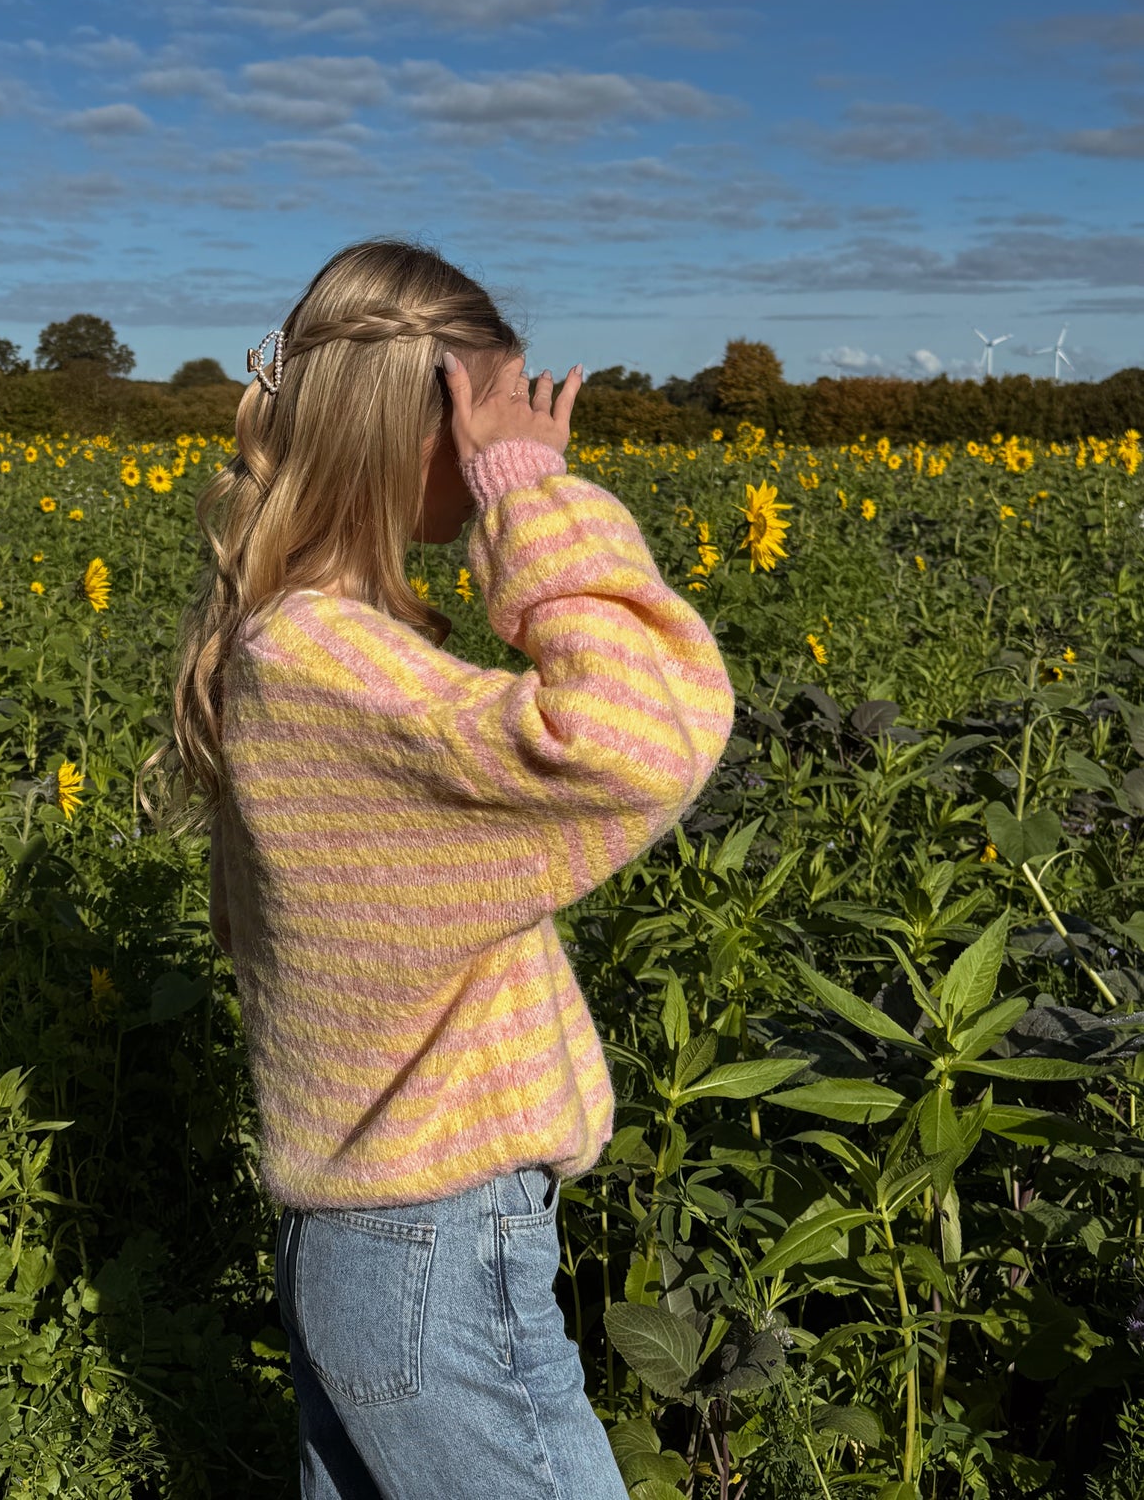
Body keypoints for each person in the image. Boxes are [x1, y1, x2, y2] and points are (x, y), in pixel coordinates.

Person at [156, 237, 735, 1499]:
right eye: (493, 412)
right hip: (432, 1247)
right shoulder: (327, 668)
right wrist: (532, 495)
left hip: (377, 1246)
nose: (515, 438)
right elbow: (636, 739)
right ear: (411, 430)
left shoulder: (297, 647)